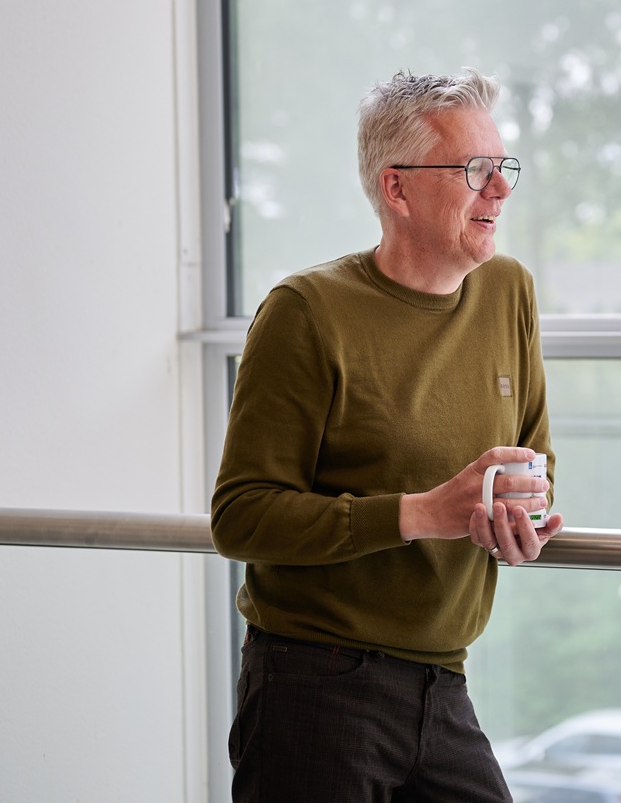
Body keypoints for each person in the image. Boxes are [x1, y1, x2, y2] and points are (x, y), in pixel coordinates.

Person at [211, 68, 564, 803]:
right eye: (474, 170)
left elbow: (533, 455)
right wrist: (421, 512)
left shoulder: (509, 293)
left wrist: (520, 514)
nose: (499, 189)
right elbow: (242, 515)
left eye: (504, 169)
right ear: (397, 189)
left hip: (446, 678)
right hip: (314, 684)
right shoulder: (306, 312)